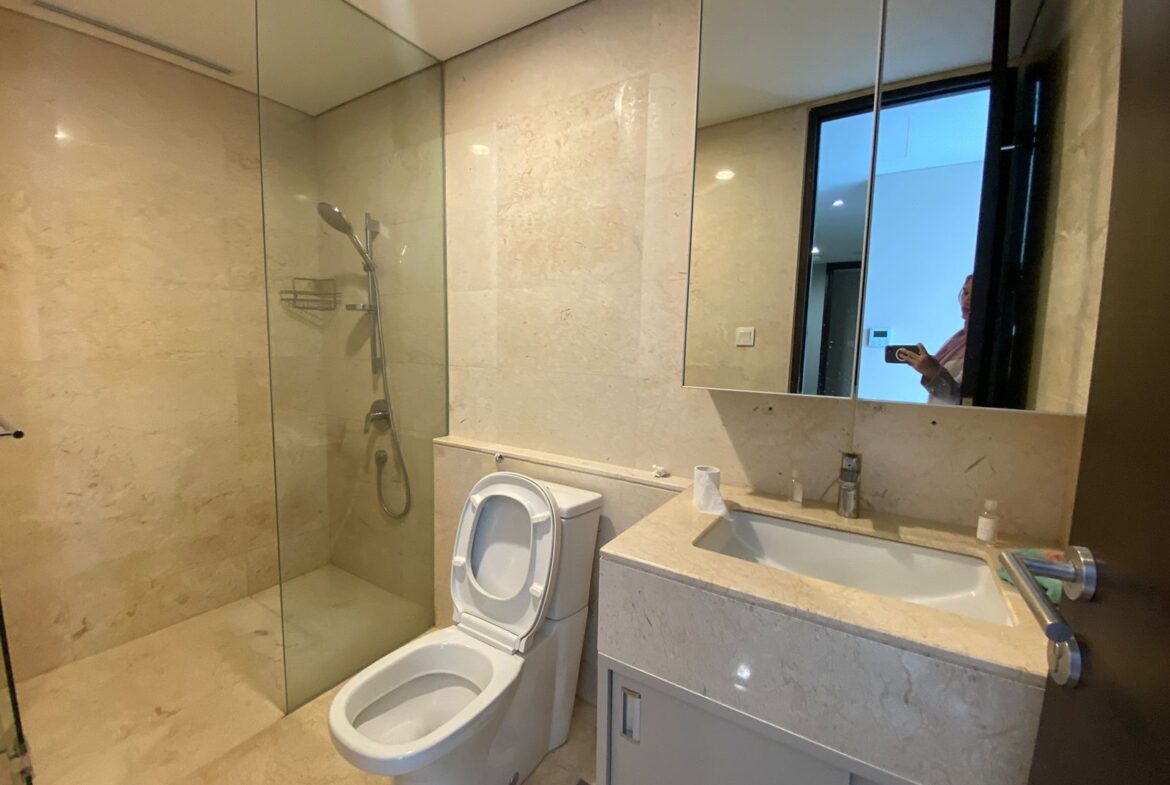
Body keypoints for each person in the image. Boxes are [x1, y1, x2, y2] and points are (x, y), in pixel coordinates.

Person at [897, 274, 972, 405]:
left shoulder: (981, 345)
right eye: (965, 293)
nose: (967, 300)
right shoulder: (960, 338)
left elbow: (963, 400)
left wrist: (931, 371)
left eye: (975, 295)